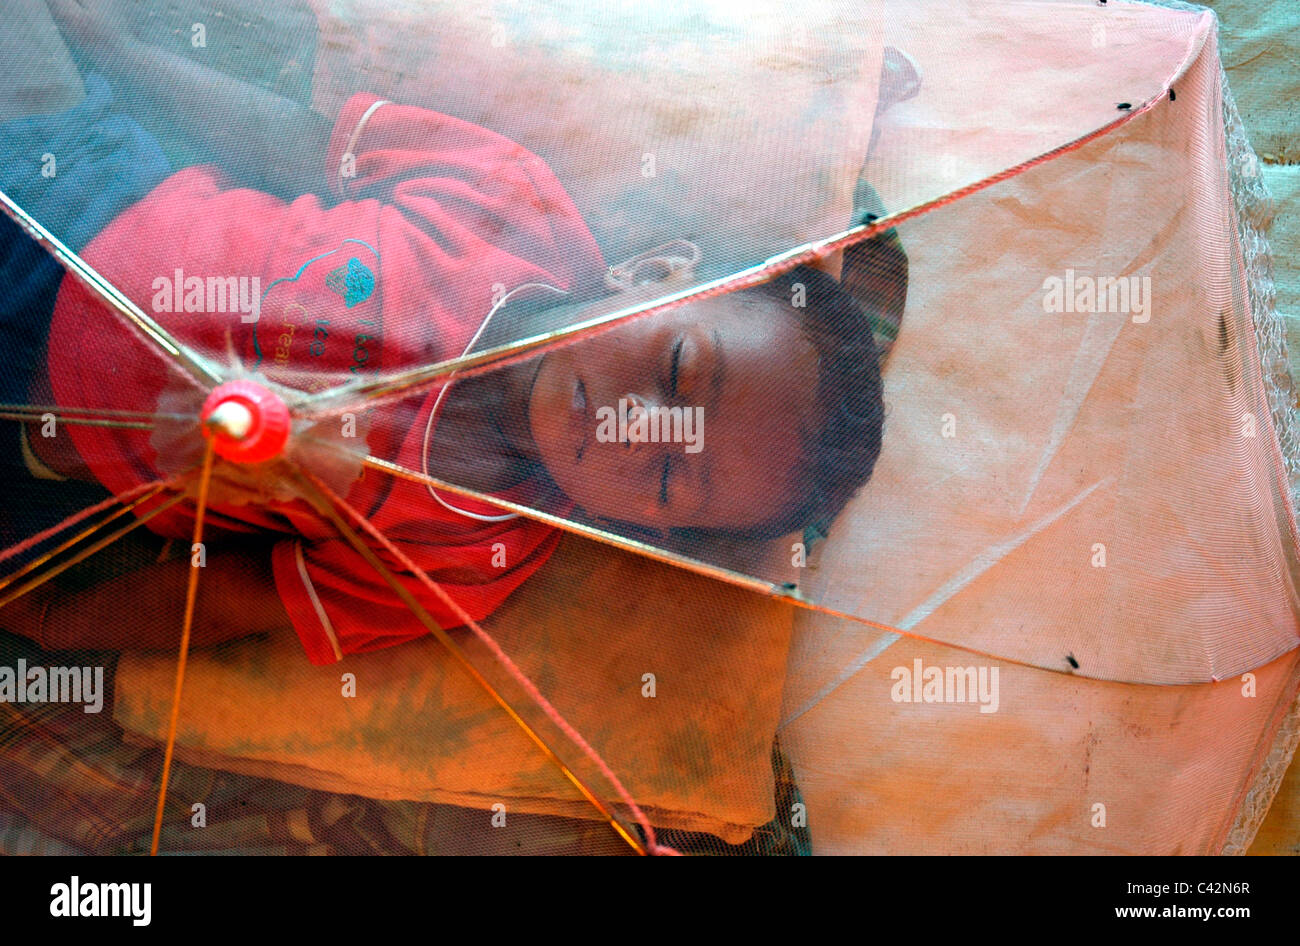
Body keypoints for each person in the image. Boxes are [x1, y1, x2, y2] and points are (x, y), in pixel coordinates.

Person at [1, 0, 895, 664]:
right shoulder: (510, 203)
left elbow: (233, 595)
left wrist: (56, 624)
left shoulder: (469, 556)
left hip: (46, 434)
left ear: (639, 533)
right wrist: (123, 53)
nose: (635, 427)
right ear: (656, 271)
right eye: (675, 368)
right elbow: (278, 139)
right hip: (78, 187)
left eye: (666, 474)